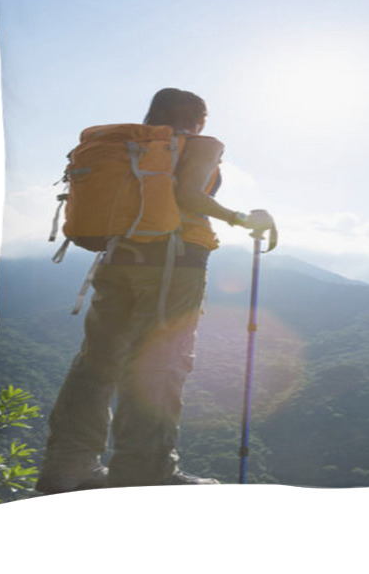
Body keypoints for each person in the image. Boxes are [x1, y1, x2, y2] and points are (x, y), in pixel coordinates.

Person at [36, 88, 275, 493]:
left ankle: (68, 465)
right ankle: (146, 470)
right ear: (200, 118)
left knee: (96, 361)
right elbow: (188, 195)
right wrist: (241, 218)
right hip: (176, 261)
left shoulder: (134, 147)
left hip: (117, 257)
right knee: (160, 362)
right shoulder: (200, 144)